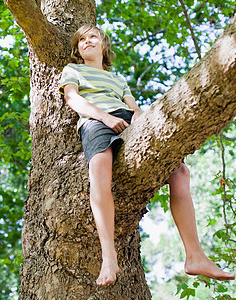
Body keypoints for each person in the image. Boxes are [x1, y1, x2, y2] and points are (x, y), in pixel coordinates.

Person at [58, 24, 235, 286]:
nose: (87, 41)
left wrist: (144, 122)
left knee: (180, 171)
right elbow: (73, 100)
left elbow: (134, 109)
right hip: (95, 121)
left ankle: (195, 255)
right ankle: (109, 256)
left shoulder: (118, 79)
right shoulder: (74, 70)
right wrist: (105, 117)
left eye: (92, 37)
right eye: (81, 40)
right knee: (99, 170)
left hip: (126, 120)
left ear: (104, 45)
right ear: (77, 49)